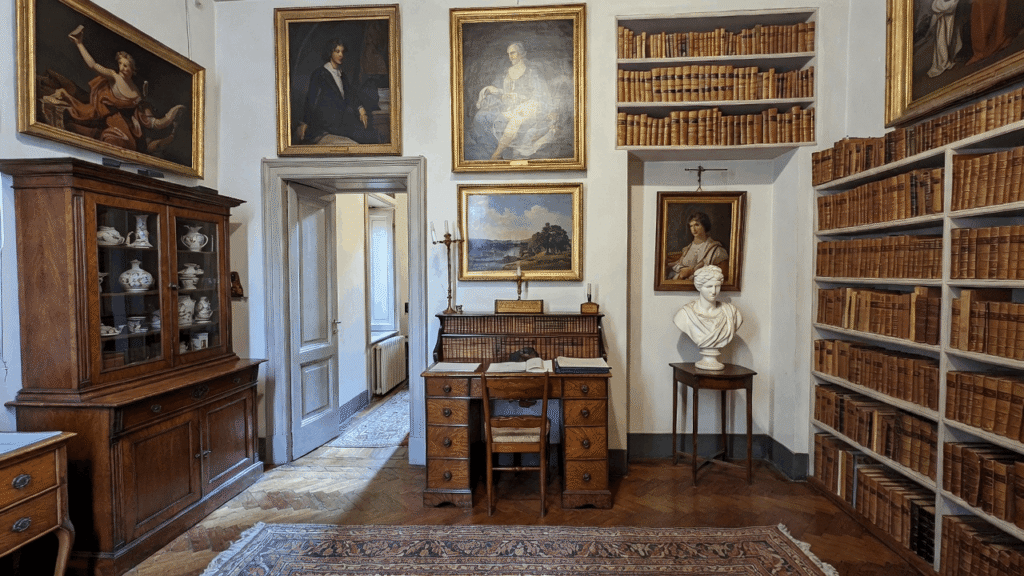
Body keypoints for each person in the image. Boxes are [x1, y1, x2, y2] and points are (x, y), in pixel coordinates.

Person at [45, 25, 185, 154]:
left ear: (133, 69)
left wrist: (171, 115)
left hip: (129, 126)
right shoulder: (114, 76)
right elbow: (93, 65)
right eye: (120, 64)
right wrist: (79, 43)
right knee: (118, 140)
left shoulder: (136, 91)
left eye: (126, 65)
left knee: (136, 145)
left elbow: (149, 120)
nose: (122, 68)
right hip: (108, 120)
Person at [471, 42, 558, 160]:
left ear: (522, 53)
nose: (510, 56)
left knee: (517, 118)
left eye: (513, 53)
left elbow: (540, 93)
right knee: (483, 116)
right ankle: (492, 149)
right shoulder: (507, 72)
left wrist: (521, 98)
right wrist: (495, 90)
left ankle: (497, 154)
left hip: (532, 105)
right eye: (508, 54)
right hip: (512, 106)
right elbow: (505, 92)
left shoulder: (532, 71)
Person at [296, 39, 382, 145]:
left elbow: (350, 95)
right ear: (330, 53)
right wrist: (305, 123)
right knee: (361, 136)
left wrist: (361, 110)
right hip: (326, 122)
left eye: (342, 51)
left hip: (341, 120)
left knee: (370, 135)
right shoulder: (320, 74)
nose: (341, 54)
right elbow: (311, 99)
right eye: (337, 51)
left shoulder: (342, 75)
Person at [673, 265, 742, 353]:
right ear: (699, 287)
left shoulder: (732, 312)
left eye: (717, 286)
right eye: (709, 287)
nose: (713, 291)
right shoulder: (684, 314)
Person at [668, 211, 729, 281]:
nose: (693, 229)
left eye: (697, 225)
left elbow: (721, 274)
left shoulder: (716, 250)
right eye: (691, 226)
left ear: (704, 226)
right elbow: (678, 263)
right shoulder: (687, 249)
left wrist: (691, 271)